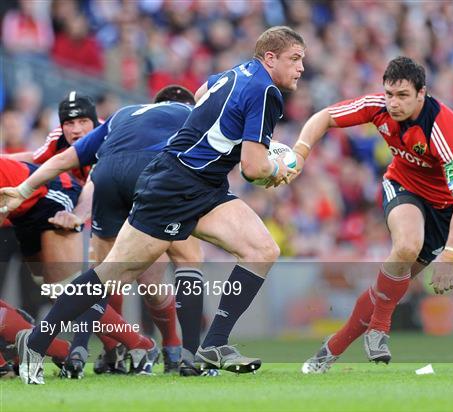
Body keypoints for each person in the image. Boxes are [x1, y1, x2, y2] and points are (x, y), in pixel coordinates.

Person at [3, 25, 305, 384]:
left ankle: (215, 344)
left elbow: (204, 90)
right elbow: (254, 169)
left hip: (200, 183)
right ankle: (36, 344)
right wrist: (277, 169)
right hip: (173, 185)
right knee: (114, 272)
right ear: (270, 58)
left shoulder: (237, 73)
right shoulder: (267, 91)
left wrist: (23, 188)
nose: (301, 67)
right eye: (295, 59)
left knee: (262, 248)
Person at [295, 56, 453, 372]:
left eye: (403, 95)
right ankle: (379, 328)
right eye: (390, 94)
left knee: (388, 291)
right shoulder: (376, 106)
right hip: (402, 186)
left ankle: (331, 349)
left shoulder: (446, 130)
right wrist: (299, 152)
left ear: (422, 93)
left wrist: (450, 256)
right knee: (405, 246)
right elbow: (324, 116)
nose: (393, 103)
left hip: (445, 210)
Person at [33, 85, 207, 377]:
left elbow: (91, 186)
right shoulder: (58, 144)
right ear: (60, 126)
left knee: (142, 281)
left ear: (95, 121)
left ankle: (165, 347)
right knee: (103, 278)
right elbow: (36, 160)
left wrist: (77, 215)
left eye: (82, 122)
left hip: (130, 196)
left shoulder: (116, 128)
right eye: (69, 123)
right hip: (115, 199)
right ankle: (122, 350)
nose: (76, 129)